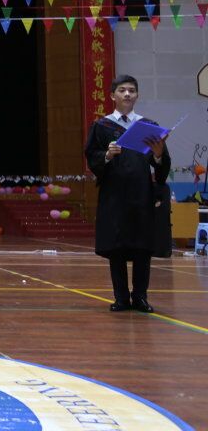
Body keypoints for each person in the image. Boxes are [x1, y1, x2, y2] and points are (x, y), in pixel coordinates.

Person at [85, 75, 170, 313]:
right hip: (114, 195)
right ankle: (121, 297)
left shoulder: (148, 126)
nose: (127, 94)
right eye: (122, 90)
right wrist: (107, 155)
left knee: (143, 247)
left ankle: (140, 297)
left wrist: (158, 155)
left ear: (137, 95)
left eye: (131, 90)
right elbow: (92, 157)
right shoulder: (102, 126)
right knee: (117, 247)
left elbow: (162, 166)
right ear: (112, 95)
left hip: (141, 194)